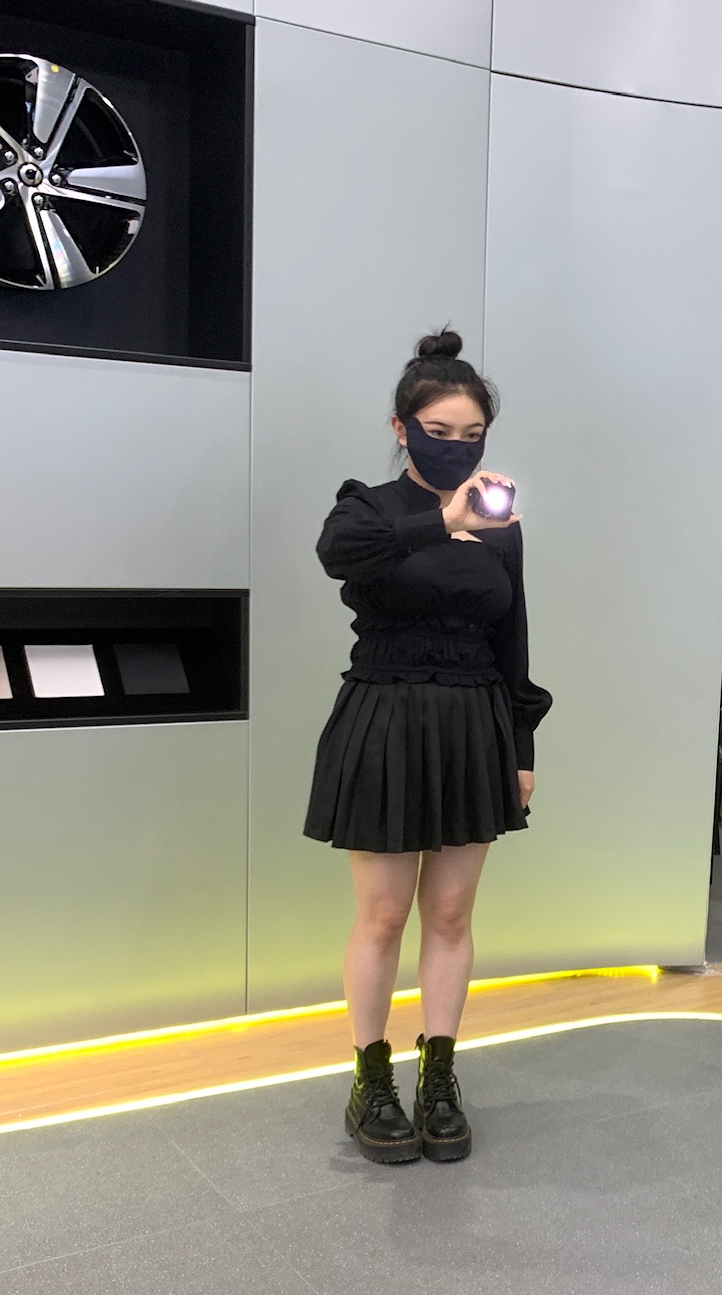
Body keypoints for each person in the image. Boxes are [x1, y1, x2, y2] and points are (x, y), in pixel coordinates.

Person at [306, 329, 551, 1164]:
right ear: (400, 428)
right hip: (385, 715)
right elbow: (337, 555)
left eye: (472, 434)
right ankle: (369, 1078)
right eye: (439, 432)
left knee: (450, 913)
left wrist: (521, 747)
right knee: (382, 913)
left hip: (473, 721)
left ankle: (438, 1076)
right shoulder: (369, 509)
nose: (457, 447)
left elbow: (512, 640)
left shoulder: (503, 526)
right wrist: (441, 520)